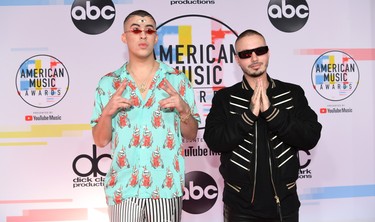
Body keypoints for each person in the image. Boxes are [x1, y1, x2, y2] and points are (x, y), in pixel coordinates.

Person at [90, 10, 200, 222]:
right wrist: (107, 113)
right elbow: (100, 140)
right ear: (124, 37)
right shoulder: (108, 83)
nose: (143, 35)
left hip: (165, 191)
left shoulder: (177, 80)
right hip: (123, 190)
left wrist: (184, 110)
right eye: (136, 30)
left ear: (155, 37)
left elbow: (192, 134)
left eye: (149, 30)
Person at [203, 29, 322, 222]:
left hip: (285, 207)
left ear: (268, 52)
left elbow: (310, 136)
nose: (254, 57)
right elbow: (215, 141)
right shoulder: (225, 98)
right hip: (240, 209)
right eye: (246, 54)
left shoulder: (292, 93)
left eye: (260, 50)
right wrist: (248, 115)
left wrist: (272, 113)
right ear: (237, 59)